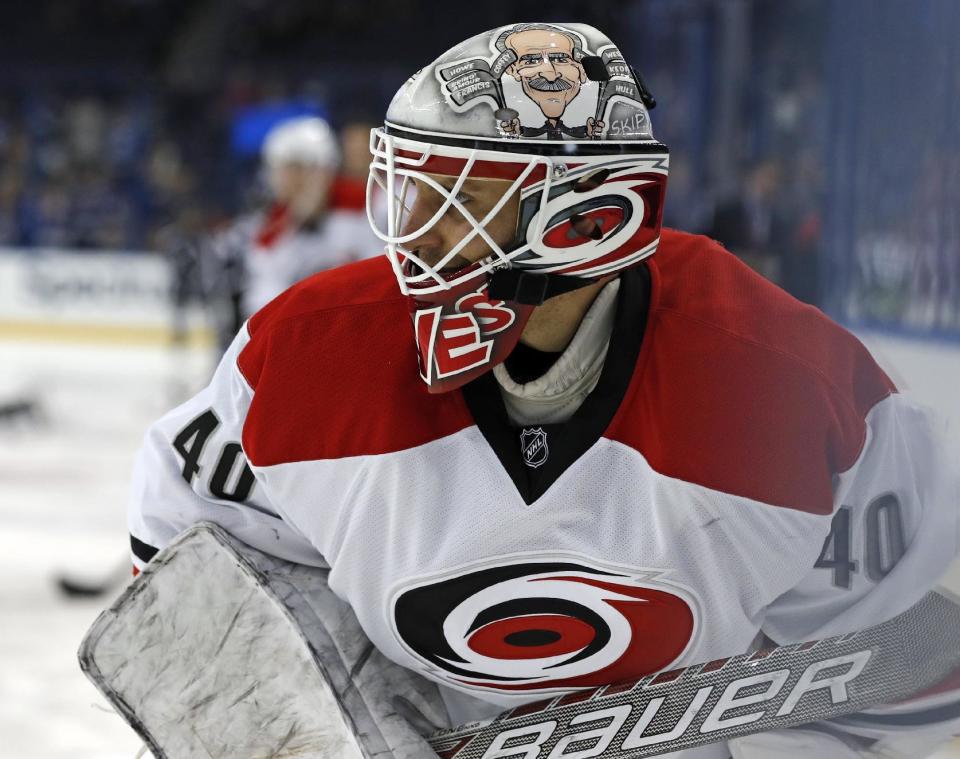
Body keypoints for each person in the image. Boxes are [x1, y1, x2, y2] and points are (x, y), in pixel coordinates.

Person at [126, 23, 960, 758]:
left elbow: (910, 657)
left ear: (590, 218)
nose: (420, 233)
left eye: (460, 198)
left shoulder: (782, 379)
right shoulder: (309, 353)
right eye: (413, 191)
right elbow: (189, 555)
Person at [206, 115, 381, 350]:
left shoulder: (366, 213)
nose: (276, 177)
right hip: (291, 344)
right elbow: (259, 302)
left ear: (313, 169)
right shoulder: (273, 227)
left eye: (285, 167)